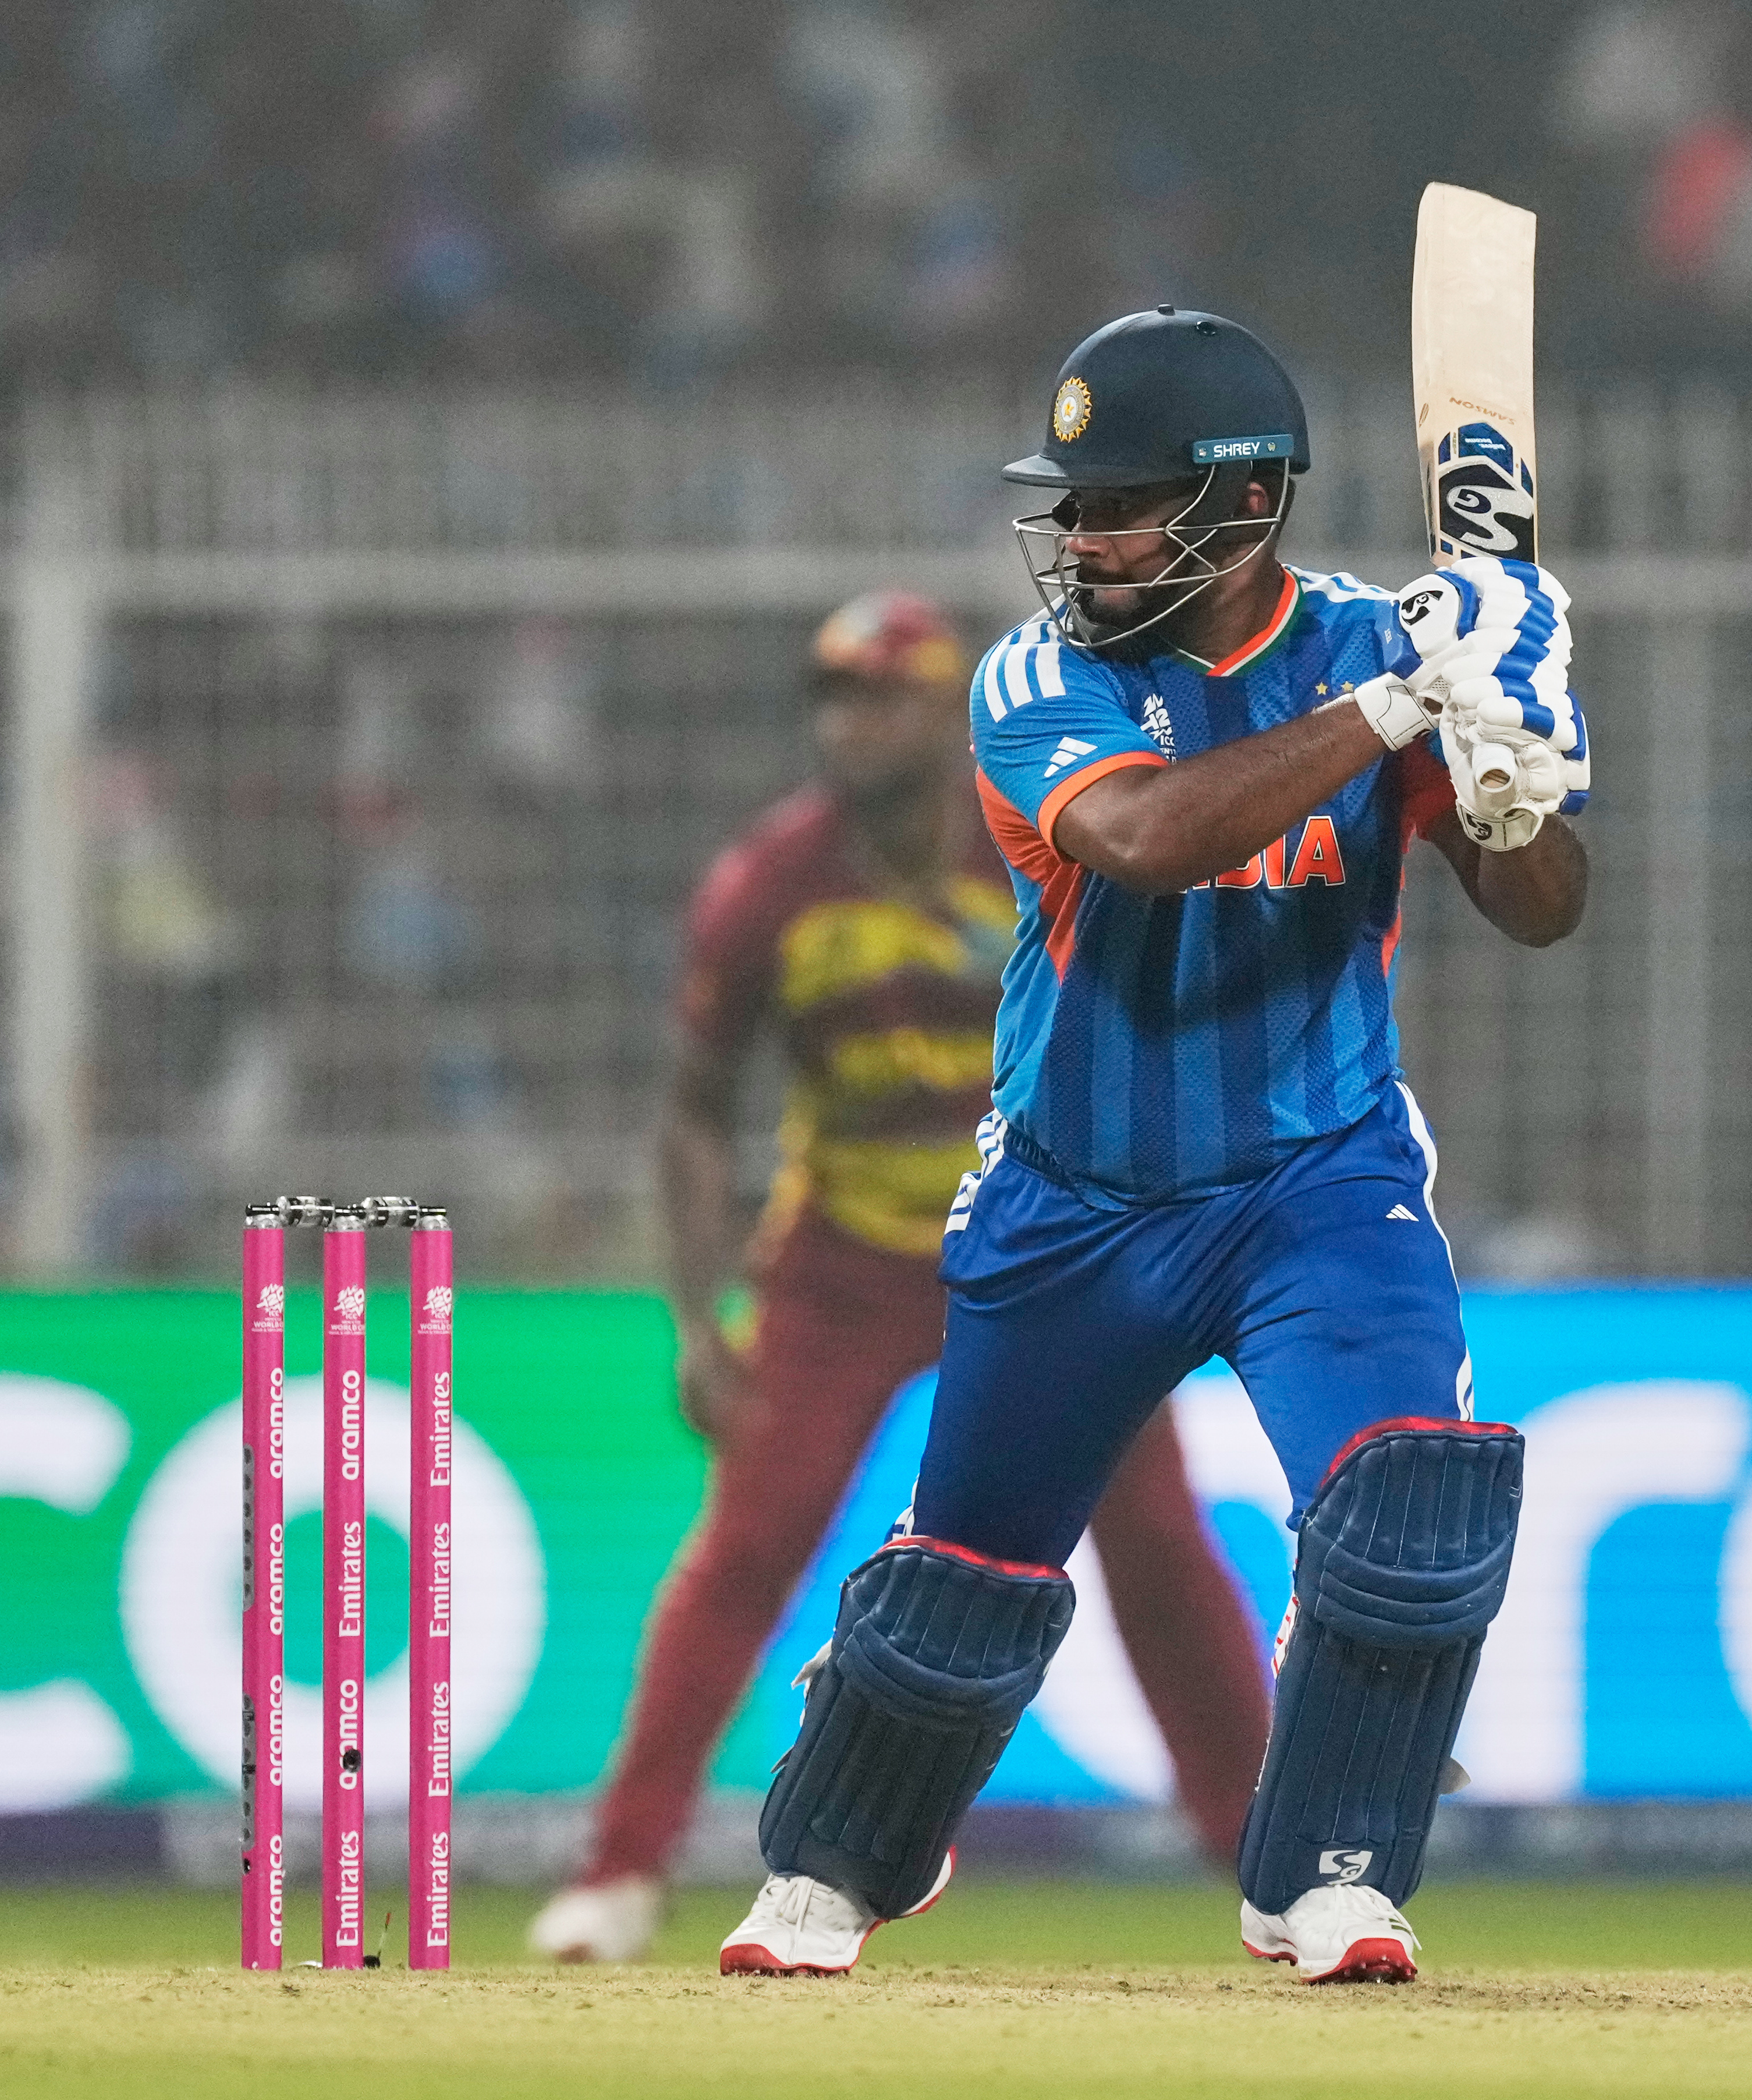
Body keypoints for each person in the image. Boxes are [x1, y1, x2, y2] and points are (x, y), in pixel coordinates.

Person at [717, 307, 1590, 1984]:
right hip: (1075, 1197)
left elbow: (1540, 914)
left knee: (1409, 1506)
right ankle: (838, 1865)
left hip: (1316, 1179)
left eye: (1124, 503)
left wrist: (1506, 761)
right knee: (969, 1571)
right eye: (1077, 503)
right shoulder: (1035, 680)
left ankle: (1327, 1873)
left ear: (1244, 504)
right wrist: (1406, 697)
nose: (1085, 538)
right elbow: (1142, 841)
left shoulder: (1373, 651)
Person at [529, 588, 1275, 1963]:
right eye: (833, 696)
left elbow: (1164, 1024)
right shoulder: (771, 887)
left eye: (880, 696)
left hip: (1050, 1253)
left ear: (948, 713)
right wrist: (695, 1319)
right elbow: (693, 1107)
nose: (849, 723)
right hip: (845, 1266)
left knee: (1160, 1547)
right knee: (749, 1548)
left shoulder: (1041, 840)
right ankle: (623, 1869)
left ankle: (1268, 1861)